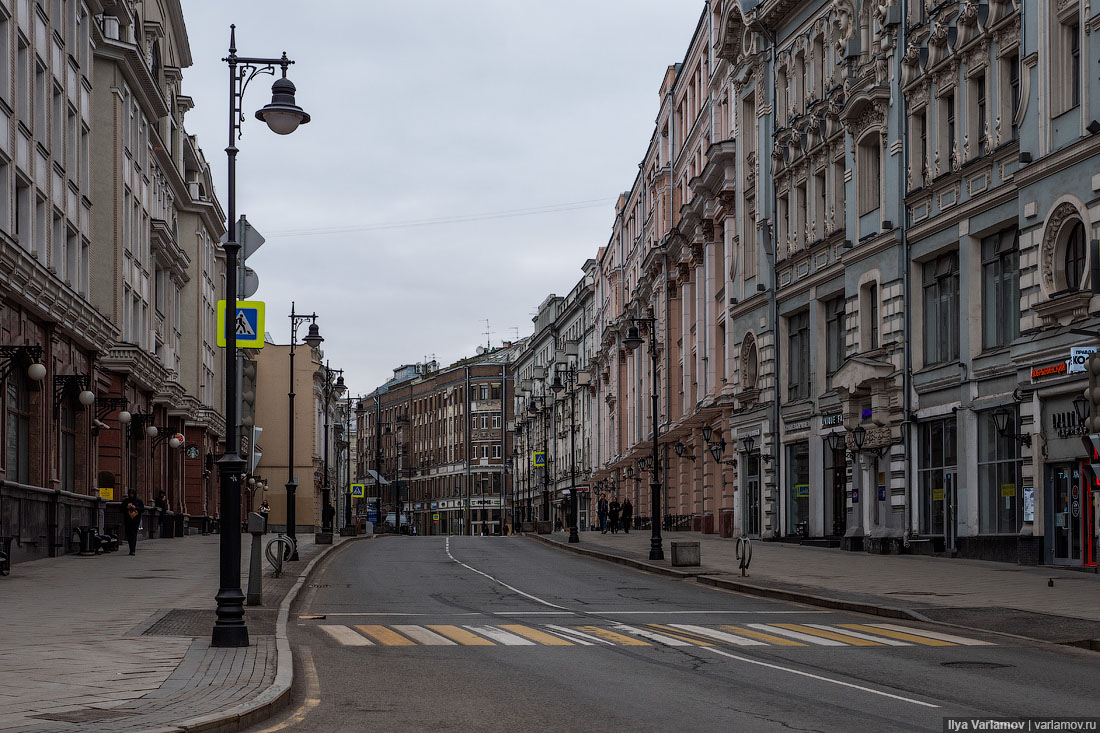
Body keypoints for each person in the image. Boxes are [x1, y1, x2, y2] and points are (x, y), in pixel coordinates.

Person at [121, 489, 145, 555]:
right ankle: (130, 547)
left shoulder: (138, 501)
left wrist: (136, 507)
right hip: (127, 520)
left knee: (133, 534)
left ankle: (132, 549)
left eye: (132, 494)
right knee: (128, 534)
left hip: (136, 520)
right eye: (130, 494)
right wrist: (127, 507)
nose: (131, 495)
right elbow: (121, 509)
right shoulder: (126, 501)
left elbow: (142, 509)